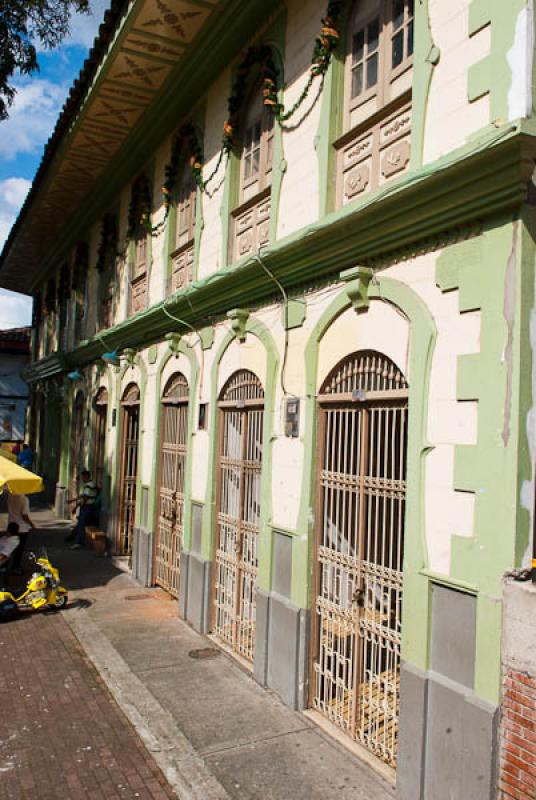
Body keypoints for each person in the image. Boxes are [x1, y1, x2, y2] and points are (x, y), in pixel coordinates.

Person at [66, 469, 99, 550]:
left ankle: (79, 542)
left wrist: (75, 506)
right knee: (81, 524)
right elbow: (82, 496)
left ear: (86, 476)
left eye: (83, 477)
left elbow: (84, 498)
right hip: (89, 507)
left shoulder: (89, 485)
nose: (82, 479)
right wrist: (73, 501)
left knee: (81, 524)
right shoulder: (90, 485)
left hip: (87, 507)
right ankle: (74, 537)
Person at [7, 492, 35, 574]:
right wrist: (32, 524)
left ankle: (6, 566)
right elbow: (24, 515)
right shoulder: (24, 499)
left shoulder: (10, 496)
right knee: (19, 550)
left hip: (11, 526)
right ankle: (15, 567)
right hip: (22, 528)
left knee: (9, 548)